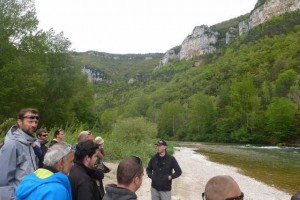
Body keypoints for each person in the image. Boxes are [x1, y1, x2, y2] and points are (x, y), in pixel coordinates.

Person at [0, 108, 39, 200]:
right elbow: (3, 181)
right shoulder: (12, 144)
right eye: (30, 121)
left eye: (36, 122)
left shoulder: (29, 144)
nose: (34, 125)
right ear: (20, 122)